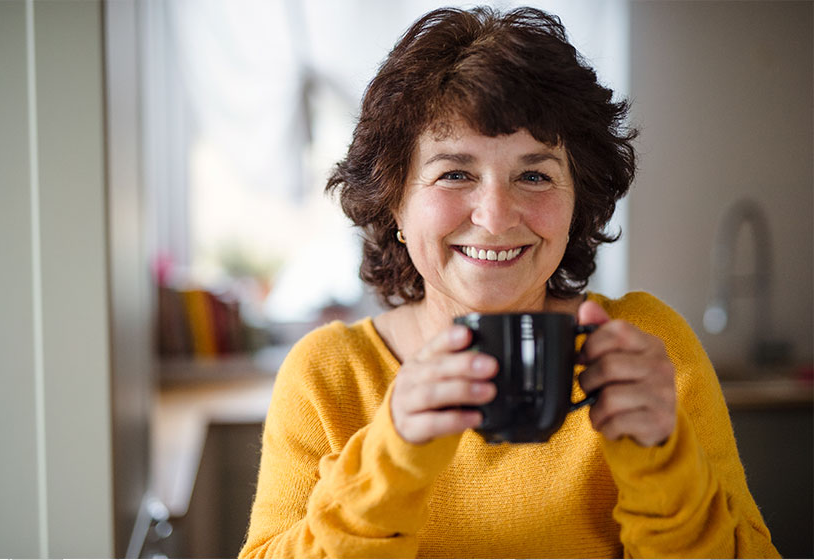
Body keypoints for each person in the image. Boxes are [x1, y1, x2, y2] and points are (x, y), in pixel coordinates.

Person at [239, 6, 778, 558]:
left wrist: (663, 461)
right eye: (454, 173)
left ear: (578, 201)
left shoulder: (646, 348)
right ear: (395, 202)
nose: (496, 217)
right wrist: (390, 458)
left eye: (534, 175)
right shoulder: (326, 378)